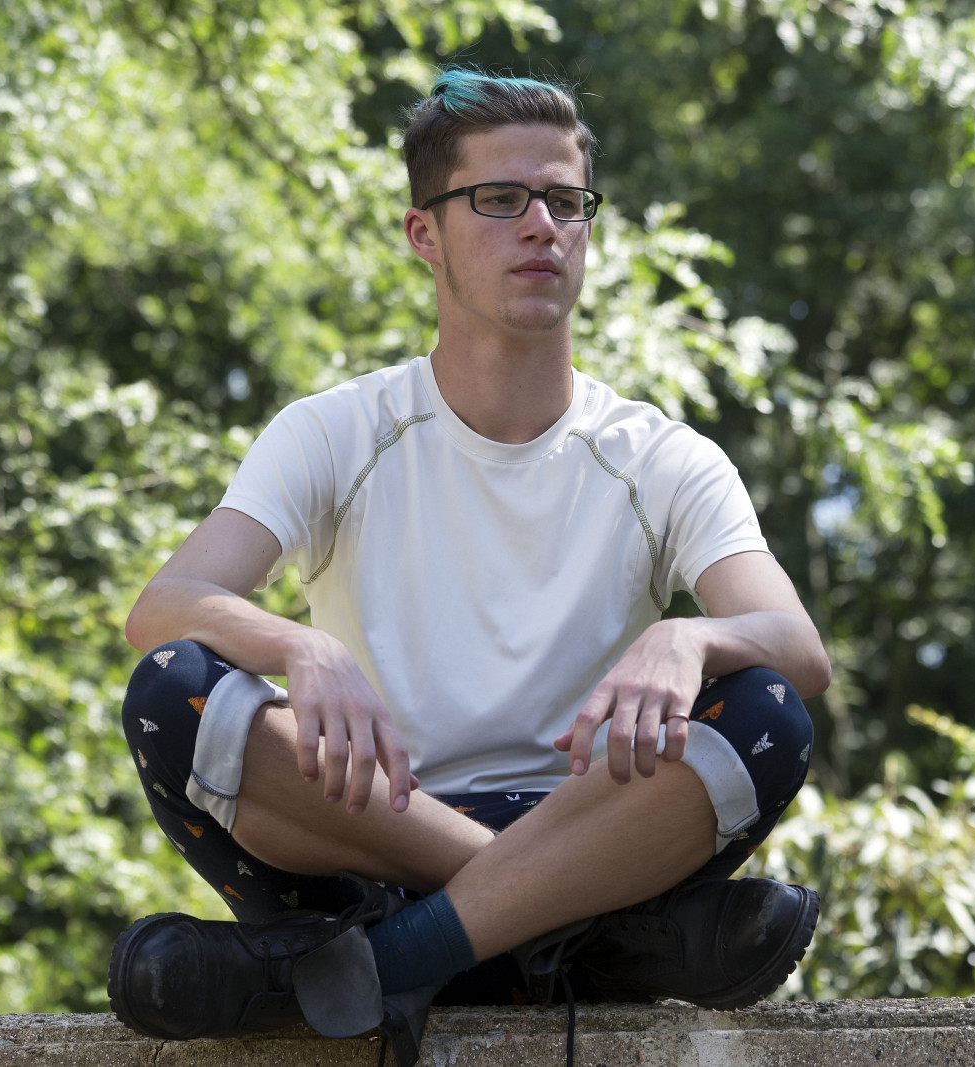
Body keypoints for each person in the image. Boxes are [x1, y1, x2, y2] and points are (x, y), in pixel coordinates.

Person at [107, 68, 831, 1066]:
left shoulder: (663, 456)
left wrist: (690, 635)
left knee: (766, 709)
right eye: (499, 198)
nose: (541, 226)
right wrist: (300, 648)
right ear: (425, 234)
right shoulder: (334, 430)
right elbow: (164, 607)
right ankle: (573, 934)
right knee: (173, 690)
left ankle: (388, 960)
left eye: (565, 201)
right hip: (381, 834)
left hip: (592, 820)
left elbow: (798, 650)